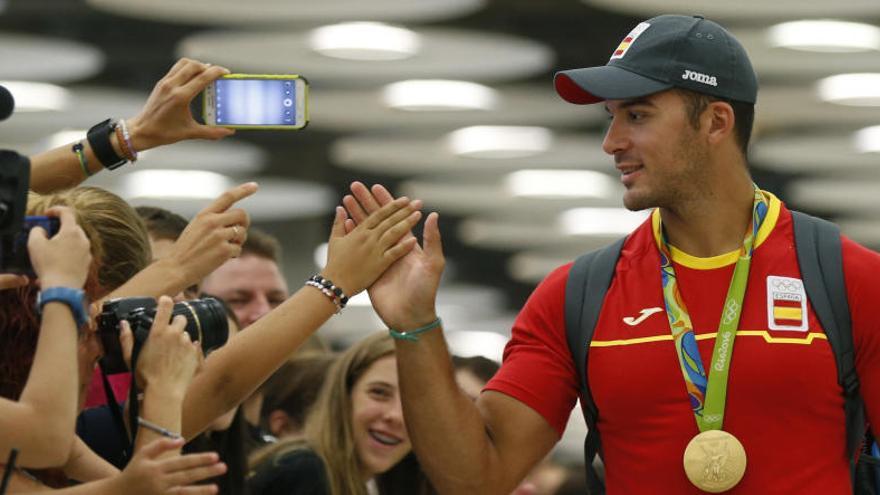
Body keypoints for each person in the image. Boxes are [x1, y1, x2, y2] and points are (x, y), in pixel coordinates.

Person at [340, 14, 880, 494]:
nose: (612, 141)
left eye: (638, 116)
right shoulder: (576, 296)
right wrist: (415, 326)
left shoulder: (848, 278)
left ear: (716, 122)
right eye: (611, 118)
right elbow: (474, 478)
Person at [247, 333, 433, 495]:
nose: (396, 416)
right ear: (345, 394)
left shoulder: (376, 482)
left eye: (414, 402)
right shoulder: (304, 470)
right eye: (379, 393)